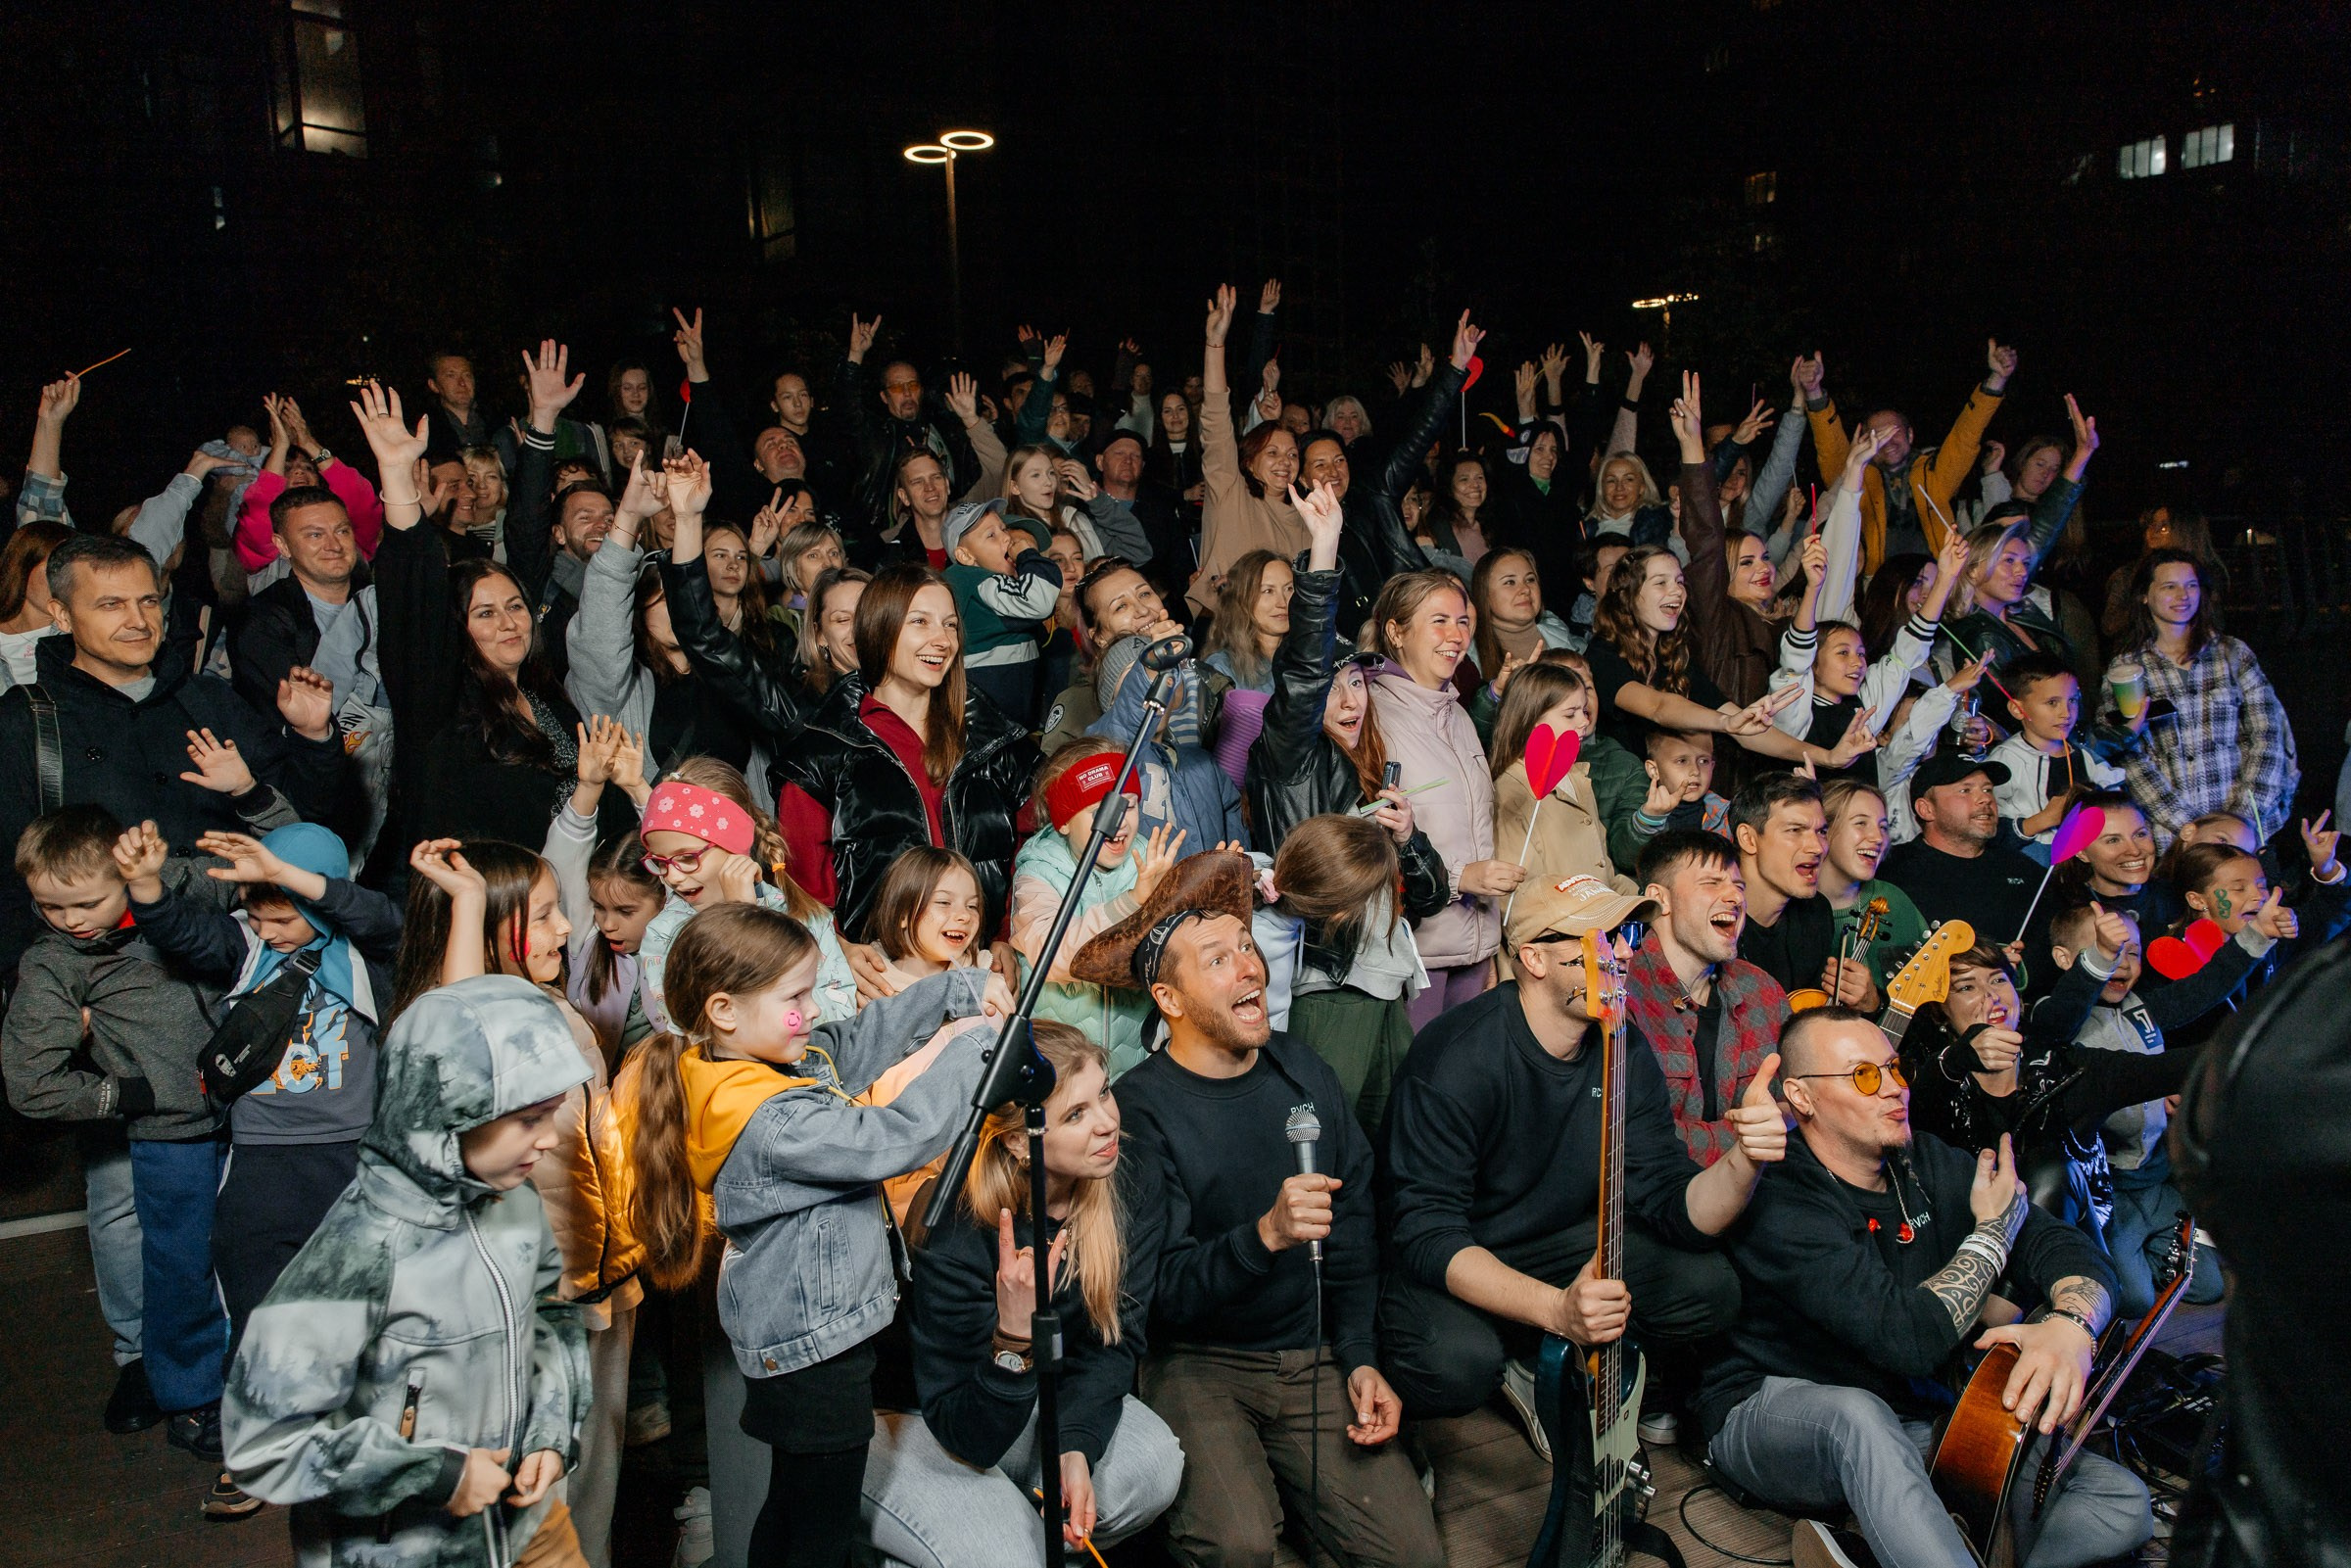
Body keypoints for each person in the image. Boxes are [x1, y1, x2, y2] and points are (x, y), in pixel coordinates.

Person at [1700, 1007, 2152, 1568]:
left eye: (1897, 1069)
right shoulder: (1779, 1192)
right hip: (1770, 1412)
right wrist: (1992, 1231)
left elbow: (2064, 1247)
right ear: (1802, 1097)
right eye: (1865, 1076)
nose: (1894, 1088)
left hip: (1911, 1417)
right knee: (1858, 1417)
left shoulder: (1928, 1160)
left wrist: (2072, 1325)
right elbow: (1906, 1338)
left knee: (2124, 1503)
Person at [626, 905, 1000, 1568]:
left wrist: (957, 992)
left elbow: (855, 1039)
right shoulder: (770, 1121)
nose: (812, 1007)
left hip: (811, 1338)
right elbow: (894, 1136)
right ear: (724, 1010)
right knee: (821, 1523)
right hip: (812, 1353)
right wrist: (986, 1047)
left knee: (796, 1506)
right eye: (795, 996)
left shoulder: (756, 1062)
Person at [1105, 855, 1445, 1568]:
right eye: (1218, 957)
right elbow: (1156, 1294)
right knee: (1237, 1544)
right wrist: (1263, 1236)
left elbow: (1353, 1227)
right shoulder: (1139, 1110)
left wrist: (1358, 1356)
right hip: (1200, 1362)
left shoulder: (1304, 1071)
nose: (1249, 967)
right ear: (1168, 998)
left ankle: (1295, 1487)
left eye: (1248, 947)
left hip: (1312, 1356)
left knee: (1414, 1556)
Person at [1377, 873, 1783, 1454]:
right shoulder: (1457, 1059)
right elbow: (1425, 1233)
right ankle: (1502, 1372)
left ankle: (1542, 1360)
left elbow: (1668, 1199)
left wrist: (1746, 1160)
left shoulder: (1624, 1044)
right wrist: (1555, 1310)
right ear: (1535, 959)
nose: (1621, 953)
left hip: (1565, 1247)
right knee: (1454, 1363)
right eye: (1599, 939)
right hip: (1465, 1252)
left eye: (1628, 935)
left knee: (1711, 1288)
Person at [222, 975, 596, 1567]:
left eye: (552, 1114)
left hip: (531, 1529)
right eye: (529, 1119)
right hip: (407, 1552)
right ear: (448, 1113)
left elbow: (549, 1310)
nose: (550, 1139)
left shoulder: (515, 1203)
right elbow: (263, 1444)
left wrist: (551, 1430)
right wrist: (437, 1474)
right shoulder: (359, 1249)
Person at [866, 1023, 1185, 1566]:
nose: (1109, 1123)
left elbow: (1115, 1342)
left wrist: (1075, 1445)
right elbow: (967, 1434)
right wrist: (1014, 1333)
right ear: (1018, 1141)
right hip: (923, 1417)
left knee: (1150, 1466)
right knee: (1008, 1555)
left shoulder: (1127, 1178)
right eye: (1076, 1114)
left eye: (1104, 1092)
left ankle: (1011, 1526)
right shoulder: (959, 1224)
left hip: (1034, 1397)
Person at [0, 531, 348, 974]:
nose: (139, 621)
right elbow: (11, 876)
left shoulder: (208, 699)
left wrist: (312, 735)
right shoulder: (24, 718)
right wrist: (47, 994)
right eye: (111, 605)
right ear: (62, 616)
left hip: (231, 961)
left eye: (147, 601)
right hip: (104, 976)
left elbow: (305, 826)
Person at [4, 808, 233, 1477]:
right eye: (50, 905)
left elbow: (277, 869)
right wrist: (125, 1094)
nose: (70, 919)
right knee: (181, 1268)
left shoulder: (168, 884)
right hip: (169, 1136)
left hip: (252, 1111)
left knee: (247, 1251)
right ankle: (191, 1397)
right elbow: (29, 1083)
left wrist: (251, 801)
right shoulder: (53, 964)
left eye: (86, 902)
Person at [357, 382, 623, 850]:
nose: (508, 622)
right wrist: (397, 479)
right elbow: (414, 601)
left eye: (515, 606)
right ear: (456, 627)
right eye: (484, 612)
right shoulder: (441, 703)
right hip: (480, 910)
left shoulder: (549, 702)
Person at [777, 564, 1041, 947]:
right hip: (880, 977)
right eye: (921, 621)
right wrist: (839, 952)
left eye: (950, 625)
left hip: (981, 966)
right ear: (878, 629)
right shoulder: (821, 752)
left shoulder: (997, 742)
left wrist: (1005, 938)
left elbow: (1032, 854)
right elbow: (801, 882)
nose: (942, 639)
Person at [1368, 569, 1517, 1027]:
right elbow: (1367, 835)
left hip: (1473, 948)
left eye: (1463, 622)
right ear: (1396, 631)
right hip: (1414, 953)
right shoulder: (1372, 712)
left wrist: (1487, 944)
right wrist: (1458, 879)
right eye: (1439, 621)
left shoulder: (1458, 715)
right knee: (1417, 1084)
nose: (1456, 636)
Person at [231, 482, 395, 868]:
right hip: (314, 793)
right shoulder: (262, 622)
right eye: (314, 534)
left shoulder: (381, 602)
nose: (333, 544)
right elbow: (284, 719)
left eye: (342, 531)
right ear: (283, 546)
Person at [2104, 549, 2300, 848]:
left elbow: (2269, 735)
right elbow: (2126, 757)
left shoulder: (2233, 654)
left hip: (2246, 831)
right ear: (2144, 595)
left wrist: (2237, 823)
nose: (2182, 595)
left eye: (2191, 585)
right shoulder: (2126, 670)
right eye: (2169, 586)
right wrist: (2189, 826)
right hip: (2173, 840)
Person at [1617, 831, 1794, 1162]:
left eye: (1739, 887)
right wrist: (1750, 1138)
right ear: (1660, 899)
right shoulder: (1622, 991)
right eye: (1712, 883)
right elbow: (1630, 1137)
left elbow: (1800, 1108)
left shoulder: (1763, 991)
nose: (1736, 898)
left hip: (1758, 1197)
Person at [1010, 742, 1176, 1080]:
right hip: (1059, 1064)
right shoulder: (1039, 871)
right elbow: (1050, 952)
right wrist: (1132, 902)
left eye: (1128, 806)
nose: (1119, 822)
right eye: (1098, 810)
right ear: (1064, 822)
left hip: (1135, 1061)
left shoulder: (1150, 861)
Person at [1800, 339, 2015, 573]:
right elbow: (1830, 450)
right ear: (1865, 441)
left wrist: (1997, 380)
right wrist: (1813, 392)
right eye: (1878, 435)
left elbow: (1965, 437)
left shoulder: (1934, 473)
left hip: (1936, 581)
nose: (1888, 442)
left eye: (1894, 432)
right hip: (1878, 585)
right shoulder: (1857, 479)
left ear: (1910, 435)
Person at [1489, 663, 1640, 947]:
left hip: (1599, 936)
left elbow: (1602, 868)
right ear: (1532, 719)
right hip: (1553, 949)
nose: (1583, 721)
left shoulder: (1577, 778)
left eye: (1584, 710)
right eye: (1570, 714)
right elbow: (1515, 902)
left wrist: (1635, 899)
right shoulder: (1511, 790)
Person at [1192, 284, 1306, 616]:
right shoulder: (1230, 491)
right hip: (1226, 640)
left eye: (1292, 455)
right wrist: (1215, 344)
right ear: (1249, 462)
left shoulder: (1307, 521)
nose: (1285, 462)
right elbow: (1215, 418)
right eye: (1272, 453)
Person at [1729, 772, 1880, 1010]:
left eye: (1821, 832)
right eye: (1795, 830)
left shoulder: (1815, 912)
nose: (1817, 847)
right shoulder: (1715, 921)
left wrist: (1871, 1005)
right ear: (1748, 839)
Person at [836, 313, 982, 552]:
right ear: (884, 396)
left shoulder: (947, 431)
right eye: (896, 387)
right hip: (891, 544)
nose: (906, 393)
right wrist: (855, 357)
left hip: (951, 535)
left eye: (912, 385)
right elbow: (846, 408)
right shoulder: (876, 436)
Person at [1880, 752, 2046, 952]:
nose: (1985, 799)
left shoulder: (2022, 870)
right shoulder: (1891, 873)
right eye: (1965, 790)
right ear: (1926, 809)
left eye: (1988, 789)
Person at [1989, 652, 2128, 856]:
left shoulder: (2086, 757)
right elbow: (1989, 829)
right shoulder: (2005, 761)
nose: (2066, 713)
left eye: (2072, 700)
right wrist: (2044, 819)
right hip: (2033, 864)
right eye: (2052, 702)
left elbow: (2115, 805)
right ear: (2018, 709)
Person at [940, 498, 1060, 722]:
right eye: (991, 535)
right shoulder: (972, 578)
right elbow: (1039, 601)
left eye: (1004, 530)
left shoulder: (990, 587)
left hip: (1007, 717)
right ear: (965, 556)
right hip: (983, 719)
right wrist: (1027, 554)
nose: (1008, 538)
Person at [1816, 778, 1932, 994]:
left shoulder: (1891, 900)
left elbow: (1926, 986)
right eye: (1861, 823)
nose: (1878, 837)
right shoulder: (1791, 906)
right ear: (1824, 829)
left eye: (1883, 827)